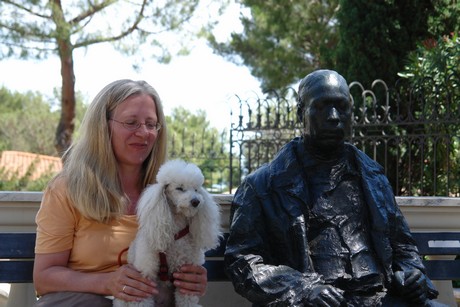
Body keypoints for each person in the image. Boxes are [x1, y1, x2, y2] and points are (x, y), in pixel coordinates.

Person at [224, 69, 445, 306]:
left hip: (379, 299)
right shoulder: (261, 186)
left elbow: (403, 246)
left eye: (341, 106)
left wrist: (412, 274)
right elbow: (243, 262)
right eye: (321, 106)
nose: (333, 116)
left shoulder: (374, 177)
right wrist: (303, 289)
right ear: (301, 113)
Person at [33, 79, 208, 306]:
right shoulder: (66, 188)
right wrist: (107, 282)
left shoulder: (173, 192)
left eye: (151, 124)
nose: (143, 132)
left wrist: (192, 280)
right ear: (103, 126)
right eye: (131, 122)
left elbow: (183, 258)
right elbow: (44, 278)